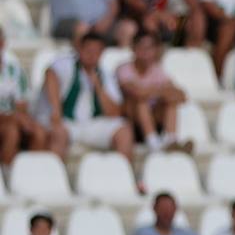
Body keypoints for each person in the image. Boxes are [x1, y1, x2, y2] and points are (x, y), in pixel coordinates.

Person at [36, 33, 135, 165]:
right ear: (79, 49)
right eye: (88, 50)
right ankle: (53, 177)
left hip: (91, 125)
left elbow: (114, 112)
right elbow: (50, 74)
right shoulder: (66, 64)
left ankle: (122, 175)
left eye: (96, 52)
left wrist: (98, 88)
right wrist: (56, 110)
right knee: (58, 133)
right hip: (66, 123)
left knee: (124, 131)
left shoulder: (105, 75)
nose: (91, 55)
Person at [117, 31, 189, 152]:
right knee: (141, 103)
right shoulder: (124, 69)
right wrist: (161, 90)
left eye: (149, 48)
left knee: (171, 102)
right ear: (133, 49)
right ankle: (154, 145)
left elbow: (181, 96)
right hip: (130, 125)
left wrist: (152, 91)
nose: (145, 52)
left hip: (154, 121)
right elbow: (137, 93)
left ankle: (171, 141)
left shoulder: (157, 70)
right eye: (142, 47)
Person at [0, 26, 40, 165]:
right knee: (12, 132)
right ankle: (6, 176)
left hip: (10, 120)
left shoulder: (15, 70)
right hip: (8, 121)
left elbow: (22, 107)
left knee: (38, 133)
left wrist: (18, 118)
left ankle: (30, 175)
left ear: (2, 43)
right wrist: (13, 117)